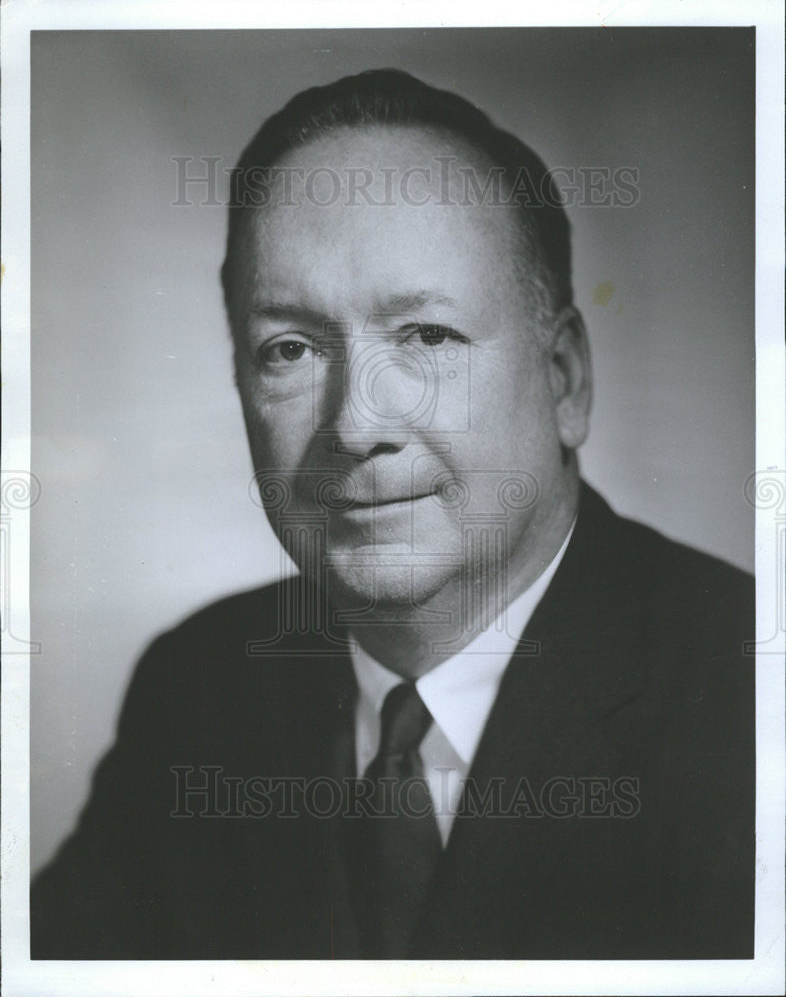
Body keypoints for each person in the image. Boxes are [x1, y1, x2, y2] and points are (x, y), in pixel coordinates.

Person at [31, 69, 754, 960]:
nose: (356, 425)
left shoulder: (750, 698)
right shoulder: (198, 689)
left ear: (564, 379)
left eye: (427, 337)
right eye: (289, 348)